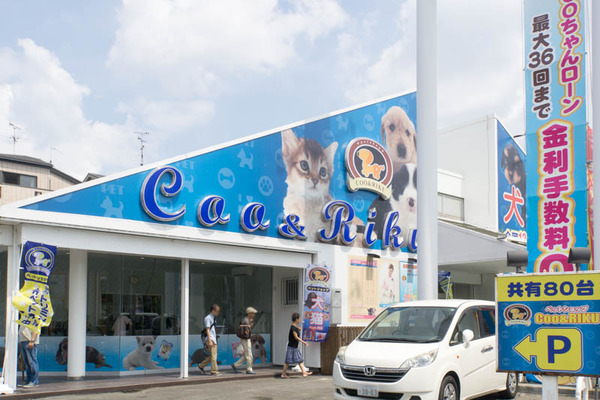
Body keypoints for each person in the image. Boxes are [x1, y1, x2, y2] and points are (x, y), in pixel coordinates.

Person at [281, 312, 312, 378]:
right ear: (296, 319)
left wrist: (298, 329)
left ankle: (304, 373)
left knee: (299, 359)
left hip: (294, 346)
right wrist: (304, 342)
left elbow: (295, 332)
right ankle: (283, 374)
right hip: (291, 346)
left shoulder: (295, 327)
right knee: (287, 361)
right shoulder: (293, 327)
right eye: (299, 318)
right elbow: (296, 337)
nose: (299, 320)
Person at [232, 307, 257, 374]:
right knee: (249, 354)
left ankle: (235, 365)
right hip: (245, 339)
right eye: (253, 313)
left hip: (246, 338)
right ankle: (249, 369)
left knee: (247, 354)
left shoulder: (248, 320)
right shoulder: (246, 320)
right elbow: (246, 331)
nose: (254, 315)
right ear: (249, 313)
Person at [198, 304, 221, 376]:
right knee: (214, 356)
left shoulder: (213, 318)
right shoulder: (208, 318)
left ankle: (201, 365)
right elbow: (207, 329)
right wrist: (210, 340)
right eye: (217, 311)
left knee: (212, 355)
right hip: (210, 339)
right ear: (213, 310)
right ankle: (214, 371)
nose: (218, 313)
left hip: (212, 338)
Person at [19, 324, 39, 388]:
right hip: (23, 341)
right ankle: (28, 380)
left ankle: (34, 381)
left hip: (29, 341)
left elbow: (35, 329)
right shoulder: (24, 319)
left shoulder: (34, 318)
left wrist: (32, 340)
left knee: (32, 362)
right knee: (27, 362)